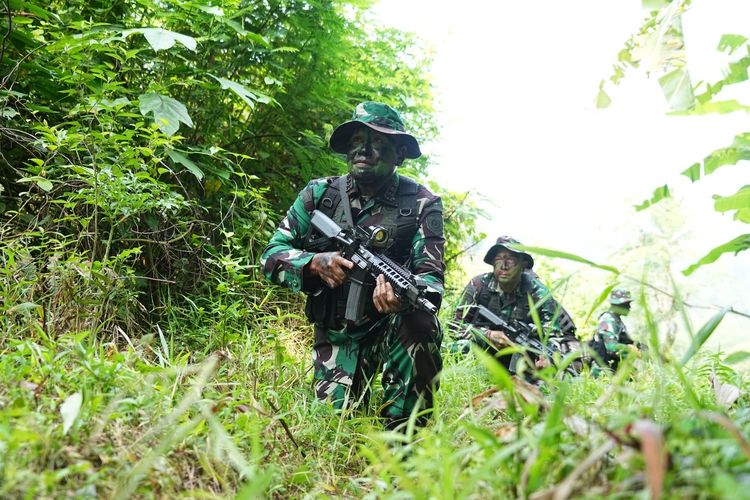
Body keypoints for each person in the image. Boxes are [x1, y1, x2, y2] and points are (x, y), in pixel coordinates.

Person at [260, 101, 445, 430]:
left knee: (420, 320)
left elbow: (430, 283)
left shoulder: (421, 203)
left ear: (399, 154)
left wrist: (400, 299)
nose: (365, 150)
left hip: (391, 329)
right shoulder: (319, 195)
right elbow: (271, 255)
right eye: (358, 141)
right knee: (332, 425)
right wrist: (315, 263)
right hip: (338, 335)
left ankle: (402, 433)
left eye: (379, 143)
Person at [448, 236, 578, 374]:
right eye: (499, 259)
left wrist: (547, 357)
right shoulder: (478, 285)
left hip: (525, 357)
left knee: (556, 369)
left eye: (510, 259)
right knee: (460, 347)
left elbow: (553, 334)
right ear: (492, 262)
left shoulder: (539, 293)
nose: (504, 265)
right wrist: (488, 334)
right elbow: (454, 326)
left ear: (523, 264)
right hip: (486, 353)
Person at [589, 287, 637, 373]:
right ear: (618, 305)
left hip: (613, 369)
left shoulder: (616, 321)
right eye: (627, 304)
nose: (629, 307)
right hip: (602, 372)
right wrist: (630, 349)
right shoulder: (608, 320)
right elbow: (611, 348)